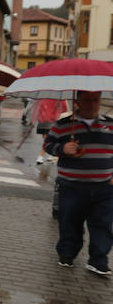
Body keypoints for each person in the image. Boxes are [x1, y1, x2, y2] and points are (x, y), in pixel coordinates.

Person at [44, 90, 113, 276]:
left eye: (96, 100)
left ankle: (98, 261)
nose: (92, 104)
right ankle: (67, 253)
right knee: (70, 222)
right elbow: (48, 145)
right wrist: (62, 148)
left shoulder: (110, 124)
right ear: (77, 101)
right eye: (87, 100)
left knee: (103, 224)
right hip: (72, 186)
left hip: (104, 186)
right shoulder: (63, 125)